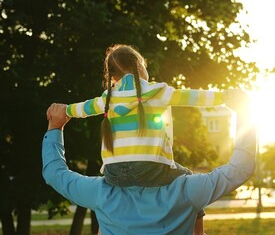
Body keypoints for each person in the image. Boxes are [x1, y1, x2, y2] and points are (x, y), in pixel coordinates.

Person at [42, 89, 256, 234]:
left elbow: (54, 173)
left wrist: (56, 127)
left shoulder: (101, 193)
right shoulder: (187, 190)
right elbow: (241, 166)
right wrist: (245, 112)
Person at [63, 44, 224, 230]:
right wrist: (226, 97)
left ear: (112, 77)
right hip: (150, 171)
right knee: (188, 179)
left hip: (113, 175)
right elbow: (192, 97)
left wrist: (64, 110)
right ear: (139, 66)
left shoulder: (107, 98)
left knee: (105, 198)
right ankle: (198, 232)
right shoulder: (156, 92)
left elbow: (81, 109)